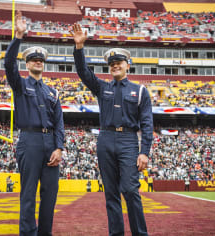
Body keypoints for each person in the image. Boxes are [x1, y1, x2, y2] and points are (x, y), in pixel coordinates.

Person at [70, 23, 153, 236]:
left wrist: (144, 151)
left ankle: (140, 233)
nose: (115, 65)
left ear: (128, 66)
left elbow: (147, 124)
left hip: (128, 141)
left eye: (119, 62)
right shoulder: (102, 87)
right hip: (105, 139)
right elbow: (83, 72)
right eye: (112, 63)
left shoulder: (140, 91)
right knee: (111, 194)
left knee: (130, 191)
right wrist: (79, 47)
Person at [4, 11, 65, 235]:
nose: (38, 62)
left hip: (50, 143)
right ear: (27, 65)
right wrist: (18, 36)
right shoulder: (20, 85)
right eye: (33, 60)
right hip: (29, 140)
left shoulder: (52, 92)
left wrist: (59, 147)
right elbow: (9, 64)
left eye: (41, 60)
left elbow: (59, 123)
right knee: (28, 193)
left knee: (50, 194)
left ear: (43, 64)